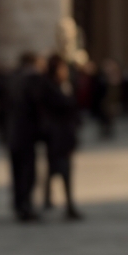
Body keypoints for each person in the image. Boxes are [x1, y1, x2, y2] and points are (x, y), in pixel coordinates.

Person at [39, 55, 83, 220]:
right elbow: (64, 104)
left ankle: (52, 200)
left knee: (59, 169)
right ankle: (66, 204)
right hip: (56, 135)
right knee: (60, 168)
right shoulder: (49, 86)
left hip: (65, 134)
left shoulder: (64, 85)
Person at [3, 52, 43, 222]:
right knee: (28, 172)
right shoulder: (31, 80)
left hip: (12, 131)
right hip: (26, 132)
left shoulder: (11, 78)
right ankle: (26, 206)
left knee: (17, 171)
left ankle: (19, 204)